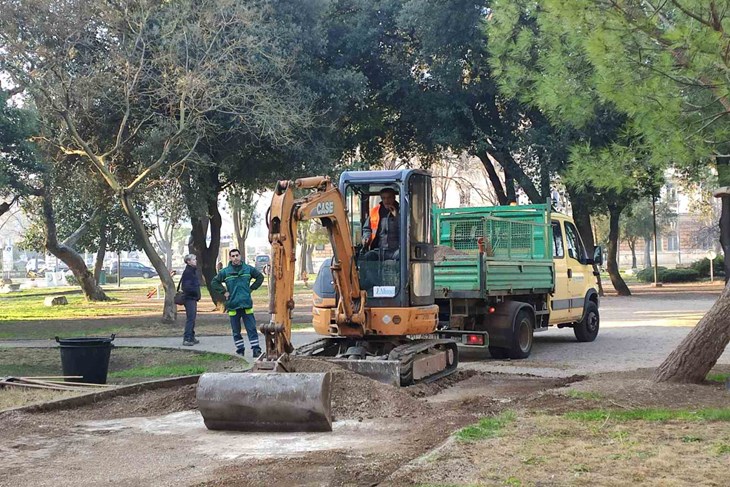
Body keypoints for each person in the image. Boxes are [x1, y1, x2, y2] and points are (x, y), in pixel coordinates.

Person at [211, 249, 265, 357]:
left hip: (246, 304)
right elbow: (214, 282)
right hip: (233, 305)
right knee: (236, 330)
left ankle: (256, 349)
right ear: (230, 258)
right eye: (233, 256)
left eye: (237, 255)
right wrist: (224, 292)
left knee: (251, 328)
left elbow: (260, 277)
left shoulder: (248, 269)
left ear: (240, 256)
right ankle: (240, 349)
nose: (235, 258)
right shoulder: (225, 272)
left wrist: (252, 288)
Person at [361, 187, 400, 259]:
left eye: (389, 197)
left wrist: (397, 217)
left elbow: (407, 229)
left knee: (402, 256)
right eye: (384, 198)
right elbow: (367, 229)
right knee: (368, 257)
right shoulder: (375, 211)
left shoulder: (402, 210)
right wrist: (366, 237)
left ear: (394, 198)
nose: (386, 200)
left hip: (396, 250)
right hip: (379, 250)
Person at [181, 254, 201, 346]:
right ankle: (187, 338)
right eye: (193, 259)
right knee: (190, 318)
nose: (195, 261)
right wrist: (195, 293)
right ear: (188, 261)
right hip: (189, 298)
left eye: (195, 259)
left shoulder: (192, 271)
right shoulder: (188, 272)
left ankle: (191, 336)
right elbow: (186, 287)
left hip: (193, 298)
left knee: (192, 318)